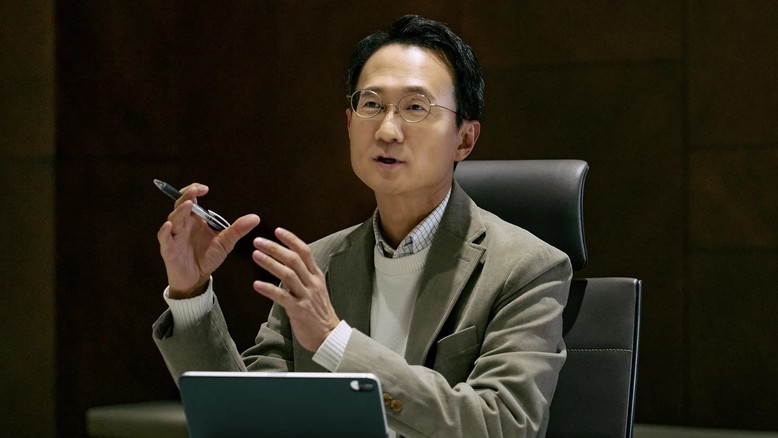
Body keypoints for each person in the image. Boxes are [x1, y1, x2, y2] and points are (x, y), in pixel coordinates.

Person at [153, 14, 571, 438]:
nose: (387, 130)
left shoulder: (525, 268)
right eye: (371, 105)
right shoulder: (317, 264)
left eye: (415, 107)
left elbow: (503, 424)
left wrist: (335, 341)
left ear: (464, 139)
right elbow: (247, 422)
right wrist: (191, 295)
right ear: (350, 124)